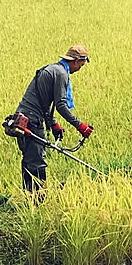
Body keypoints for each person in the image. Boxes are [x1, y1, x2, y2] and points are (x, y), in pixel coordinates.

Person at [15, 45, 94, 193]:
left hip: (24, 115)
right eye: (81, 66)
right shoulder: (62, 74)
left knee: (29, 158)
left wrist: (54, 124)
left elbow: (44, 103)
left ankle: (29, 195)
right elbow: (61, 105)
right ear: (76, 61)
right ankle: (37, 198)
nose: (79, 69)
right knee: (37, 160)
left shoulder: (53, 69)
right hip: (32, 120)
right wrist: (80, 126)